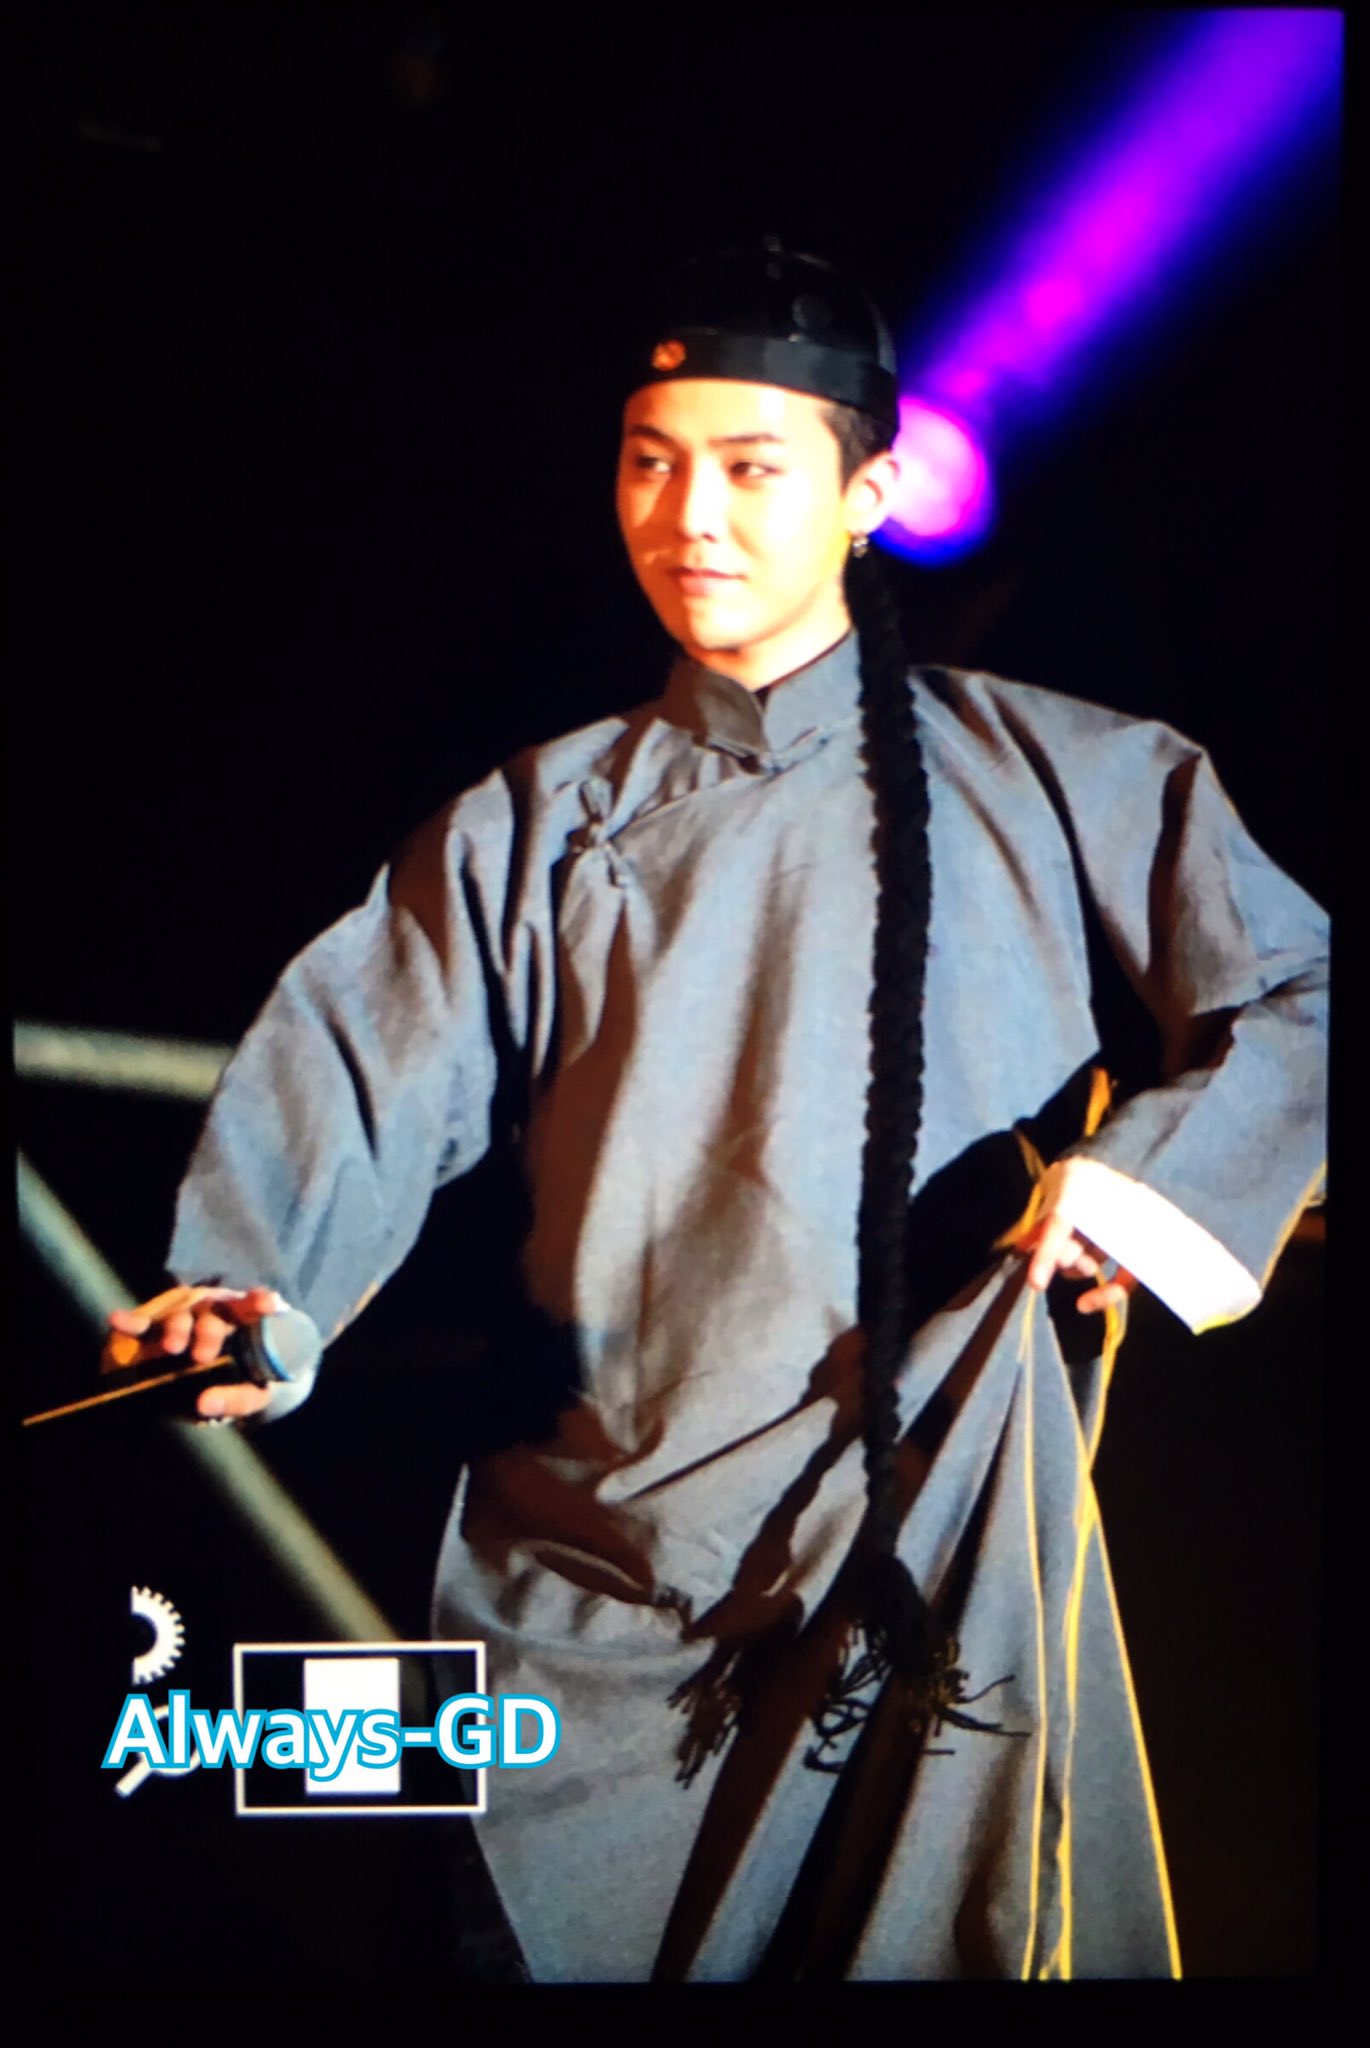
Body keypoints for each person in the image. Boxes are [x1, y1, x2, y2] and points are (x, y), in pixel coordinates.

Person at [106, 245, 1327, 1981]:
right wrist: (251, 1283)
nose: (689, 515)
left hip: (924, 1534)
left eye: (752, 467)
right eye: (649, 461)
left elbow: (1303, 993)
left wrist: (1134, 1189)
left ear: (866, 495)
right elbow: (363, 1064)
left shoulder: (1066, 775)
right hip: (592, 1557)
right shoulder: (536, 821)